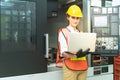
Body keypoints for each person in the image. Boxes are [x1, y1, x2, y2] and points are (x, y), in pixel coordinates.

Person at [57, 5, 90, 80]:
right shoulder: (63, 32)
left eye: (77, 18)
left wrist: (89, 50)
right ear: (68, 17)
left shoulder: (81, 33)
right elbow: (63, 53)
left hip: (82, 67)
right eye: (73, 17)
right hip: (70, 67)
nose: (75, 20)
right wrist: (76, 56)